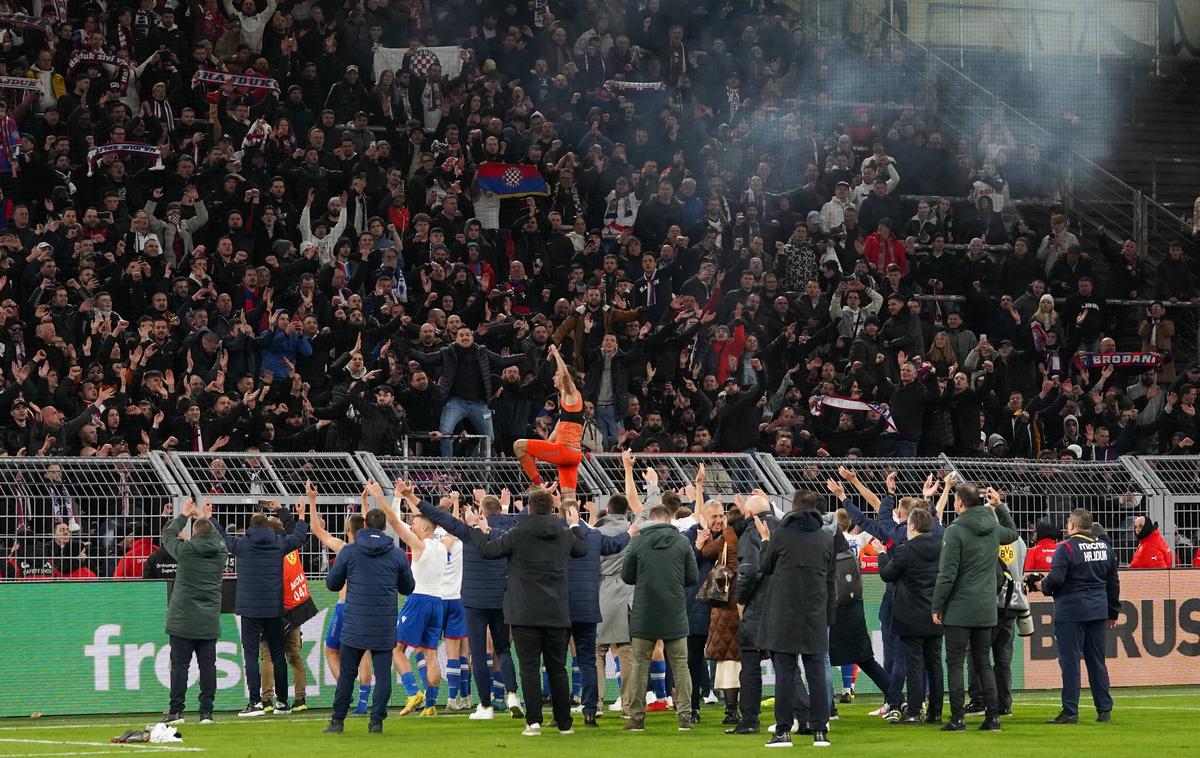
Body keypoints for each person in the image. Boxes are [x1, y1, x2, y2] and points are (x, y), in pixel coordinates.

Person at [467, 488, 587, 736]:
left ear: (529, 508)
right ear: (552, 508)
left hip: (524, 613)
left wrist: (476, 529)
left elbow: (488, 551)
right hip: (557, 612)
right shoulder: (564, 534)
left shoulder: (517, 534)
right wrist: (575, 526)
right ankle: (564, 724)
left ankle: (533, 722)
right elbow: (581, 550)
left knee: (529, 667)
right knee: (557, 669)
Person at [931, 484, 1019, 732]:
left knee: (956, 663)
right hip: (986, 608)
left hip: (959, 608)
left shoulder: (955, 531)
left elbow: (947, 574)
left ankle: (958, 718)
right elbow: (1013, 534)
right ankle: (993, 718)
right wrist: (1000, 506)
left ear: (959, 503)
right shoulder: (992, 528)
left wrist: (937, 605)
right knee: (983, 661)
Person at [322, 506, 416, 734]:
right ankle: (376, 722)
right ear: (384, 527)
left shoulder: (350, 551)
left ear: (364, 525)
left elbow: (332, 583)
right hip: (383, 625)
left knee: (347, 673)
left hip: (355, 622)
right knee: (383, 675)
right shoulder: (396, 554)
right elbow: (408, 587)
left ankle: (337, 721)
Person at [755, 491, 836, 748]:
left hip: (783, 613)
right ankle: (820, 730)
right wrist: (828, 617)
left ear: (793, 508)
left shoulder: (781, 535)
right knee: (816, 672)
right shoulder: (826, 539)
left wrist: (766, 541)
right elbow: (830, 580)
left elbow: (765, 567)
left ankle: (783, 731)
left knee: (786, 674)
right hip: (814, 613)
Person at [215, 499, 310, 717]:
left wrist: (210, 517)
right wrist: (298, 515)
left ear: (249, 527)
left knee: (252, 655)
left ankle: (256, 702)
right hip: (273, 608)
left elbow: (223, 537)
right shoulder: (278, 543)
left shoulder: (242, 545)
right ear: (267, 527)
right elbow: (298, 537)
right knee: (278, 654)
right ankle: (283, 702)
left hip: (250, 610)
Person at [621, 502, 699, 733]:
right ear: (669, 519)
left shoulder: (637, 541)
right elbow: (692, 577)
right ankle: (684, 716)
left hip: (644, 612)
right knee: (681, 666)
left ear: (650, 519)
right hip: (674, 611)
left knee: (639, 666)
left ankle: (636, 718)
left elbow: (627, 576)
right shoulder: (683, 542)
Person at [381, 481, 455, 717]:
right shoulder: (444, 544)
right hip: (437, 602)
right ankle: (432, 704)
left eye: (414, 525)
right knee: (430, 653)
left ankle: (414, 691)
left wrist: (393, 498)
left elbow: (393, 522)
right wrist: (412, 499)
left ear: (423, 529)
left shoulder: (420, 545)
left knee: (396, 648)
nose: (411, 527)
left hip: (418, 600)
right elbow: (447, 527)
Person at [1039, 508, 1120, 724]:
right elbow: (1113, 582)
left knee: (1070, 661)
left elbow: (1055, 580)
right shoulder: (1104, 547)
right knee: (1097, 662)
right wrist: (1112, 611)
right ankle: (1104, 710)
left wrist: (1041, 586)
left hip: (1071, 611)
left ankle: (1070, 711)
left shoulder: (1065, 548)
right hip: (1098, 611)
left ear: (1072, 526)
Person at [160, 500, 228, 725]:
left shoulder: (187, 550)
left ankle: (176, 711)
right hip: (208, 620)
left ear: (194, 533)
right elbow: (220, 538)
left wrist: (183, 515)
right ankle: (206, 712)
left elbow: (168, 536)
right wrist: (205, 517)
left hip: (183, 619)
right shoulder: (221, 553)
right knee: (208, 666)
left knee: (180, 666)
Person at [878, 507, 944, 724]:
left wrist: (880, 555)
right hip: (934, 611)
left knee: (914, 663)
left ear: (912, 526)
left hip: (910, 614)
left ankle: (915, 710)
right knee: (934, 663)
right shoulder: (940, 546)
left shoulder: (906, 549)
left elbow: (888, 575)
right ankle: (936, 710)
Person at [515, 344, 585, 499]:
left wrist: (555, 354)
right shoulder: (564, 401)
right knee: (568, 499)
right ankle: (573, 522)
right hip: (572, 455)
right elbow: (560, 427)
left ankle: (538, 485)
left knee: (519, 446)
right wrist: (546, 439)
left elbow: (566, 376)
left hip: (565, 451)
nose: (554, 377)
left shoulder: (571, 394)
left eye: (557, 374)